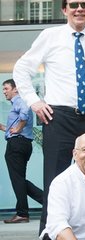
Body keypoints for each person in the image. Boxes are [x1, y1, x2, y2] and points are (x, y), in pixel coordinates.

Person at [13, 0, 85, 232]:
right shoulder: (50, 36)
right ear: (64, 10)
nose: (79, 9)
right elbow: (21, 69)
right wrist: (35, 102)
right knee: (55, 181)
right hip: (58, 118)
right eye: (74, 5)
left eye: (84, 5)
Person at [0, 79, 43, 223]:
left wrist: (17, 128)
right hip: (22, 143)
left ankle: (23, 213)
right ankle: (47, 202)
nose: (4, 91)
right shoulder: (17, 102)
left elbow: (24, 114)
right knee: (20, 180)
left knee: (17, 180)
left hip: (17, 144)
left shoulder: (20, 100)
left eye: (6, 88)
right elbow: (13, 128)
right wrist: (4, 127)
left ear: (16, 89)